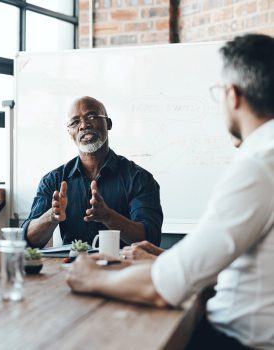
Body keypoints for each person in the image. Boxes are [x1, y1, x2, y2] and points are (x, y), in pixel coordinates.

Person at [67, 34, 274, 349]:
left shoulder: (259, 164)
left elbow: (168, 287)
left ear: (233, 95)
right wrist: (160, 259)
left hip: (236, 340)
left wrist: (91, 277)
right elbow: (219, 259)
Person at [22, 96, 163, 248]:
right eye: (75, 122)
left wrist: (108, 217)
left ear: (108, 123)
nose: (84, 125)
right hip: (74, 268)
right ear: (70, 133)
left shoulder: (139, 178)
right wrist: (51, 216)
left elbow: (151, 239)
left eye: (91, 116)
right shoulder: (54, 180)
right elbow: (28, 242)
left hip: (123, 268)